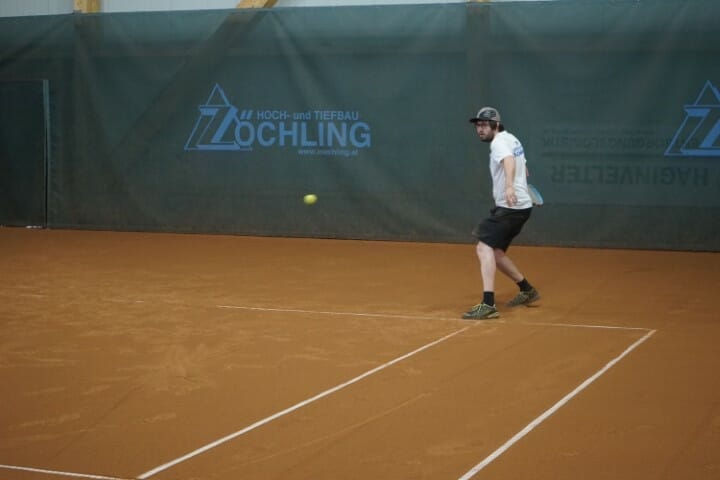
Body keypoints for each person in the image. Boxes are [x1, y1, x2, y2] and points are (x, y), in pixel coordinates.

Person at [463, 106, 540, 320]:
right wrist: (518, 182)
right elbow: (523, 167)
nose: (480, 129)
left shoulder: (499, 143)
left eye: (484, 125)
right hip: (520, 207)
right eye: (478, 125)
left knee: (483, 247)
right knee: (495, 253)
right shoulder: (512, 139)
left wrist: (509, 186)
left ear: (495, 125)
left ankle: (488, 304)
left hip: (510, 207)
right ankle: (527, 289)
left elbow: (508, 160)